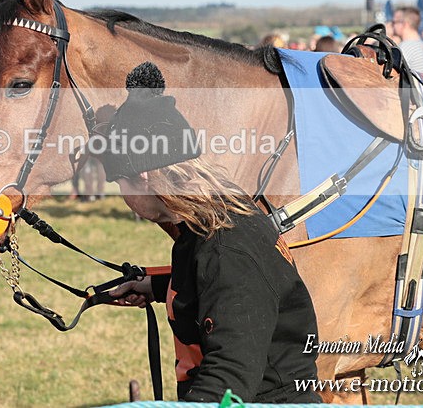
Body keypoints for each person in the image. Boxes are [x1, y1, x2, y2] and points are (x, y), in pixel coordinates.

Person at [102, 62, 321, 403]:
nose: (123, 196)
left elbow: (229, 378)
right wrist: (155, 286)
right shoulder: (208, 221)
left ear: (142, 175)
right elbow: (220, 291)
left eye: (119, 182)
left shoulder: (227, 249)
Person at [392, 6, 423, 74]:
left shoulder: (404, 47)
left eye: (394, 22)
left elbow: (392, 76)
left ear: (404, 24)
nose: (392, 25)